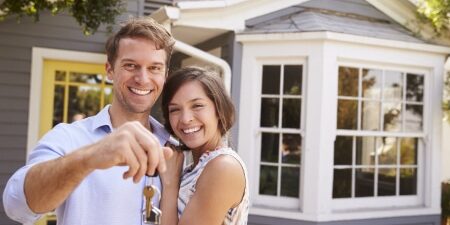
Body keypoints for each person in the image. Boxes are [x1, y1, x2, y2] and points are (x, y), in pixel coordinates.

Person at [3, 17, 175, 225]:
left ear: (165, 75)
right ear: (110, 70)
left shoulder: (176, 147)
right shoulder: (70, 138)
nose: (143, 78)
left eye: (154, 68)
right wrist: (89, 157)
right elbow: (17, 206)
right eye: (131, 65)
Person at [159, 66, 249, 225]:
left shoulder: (223, 167)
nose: (185, 119)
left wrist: (170, 184)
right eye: (175, 109)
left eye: (197, 106)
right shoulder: (195, 167)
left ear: (219, 109)